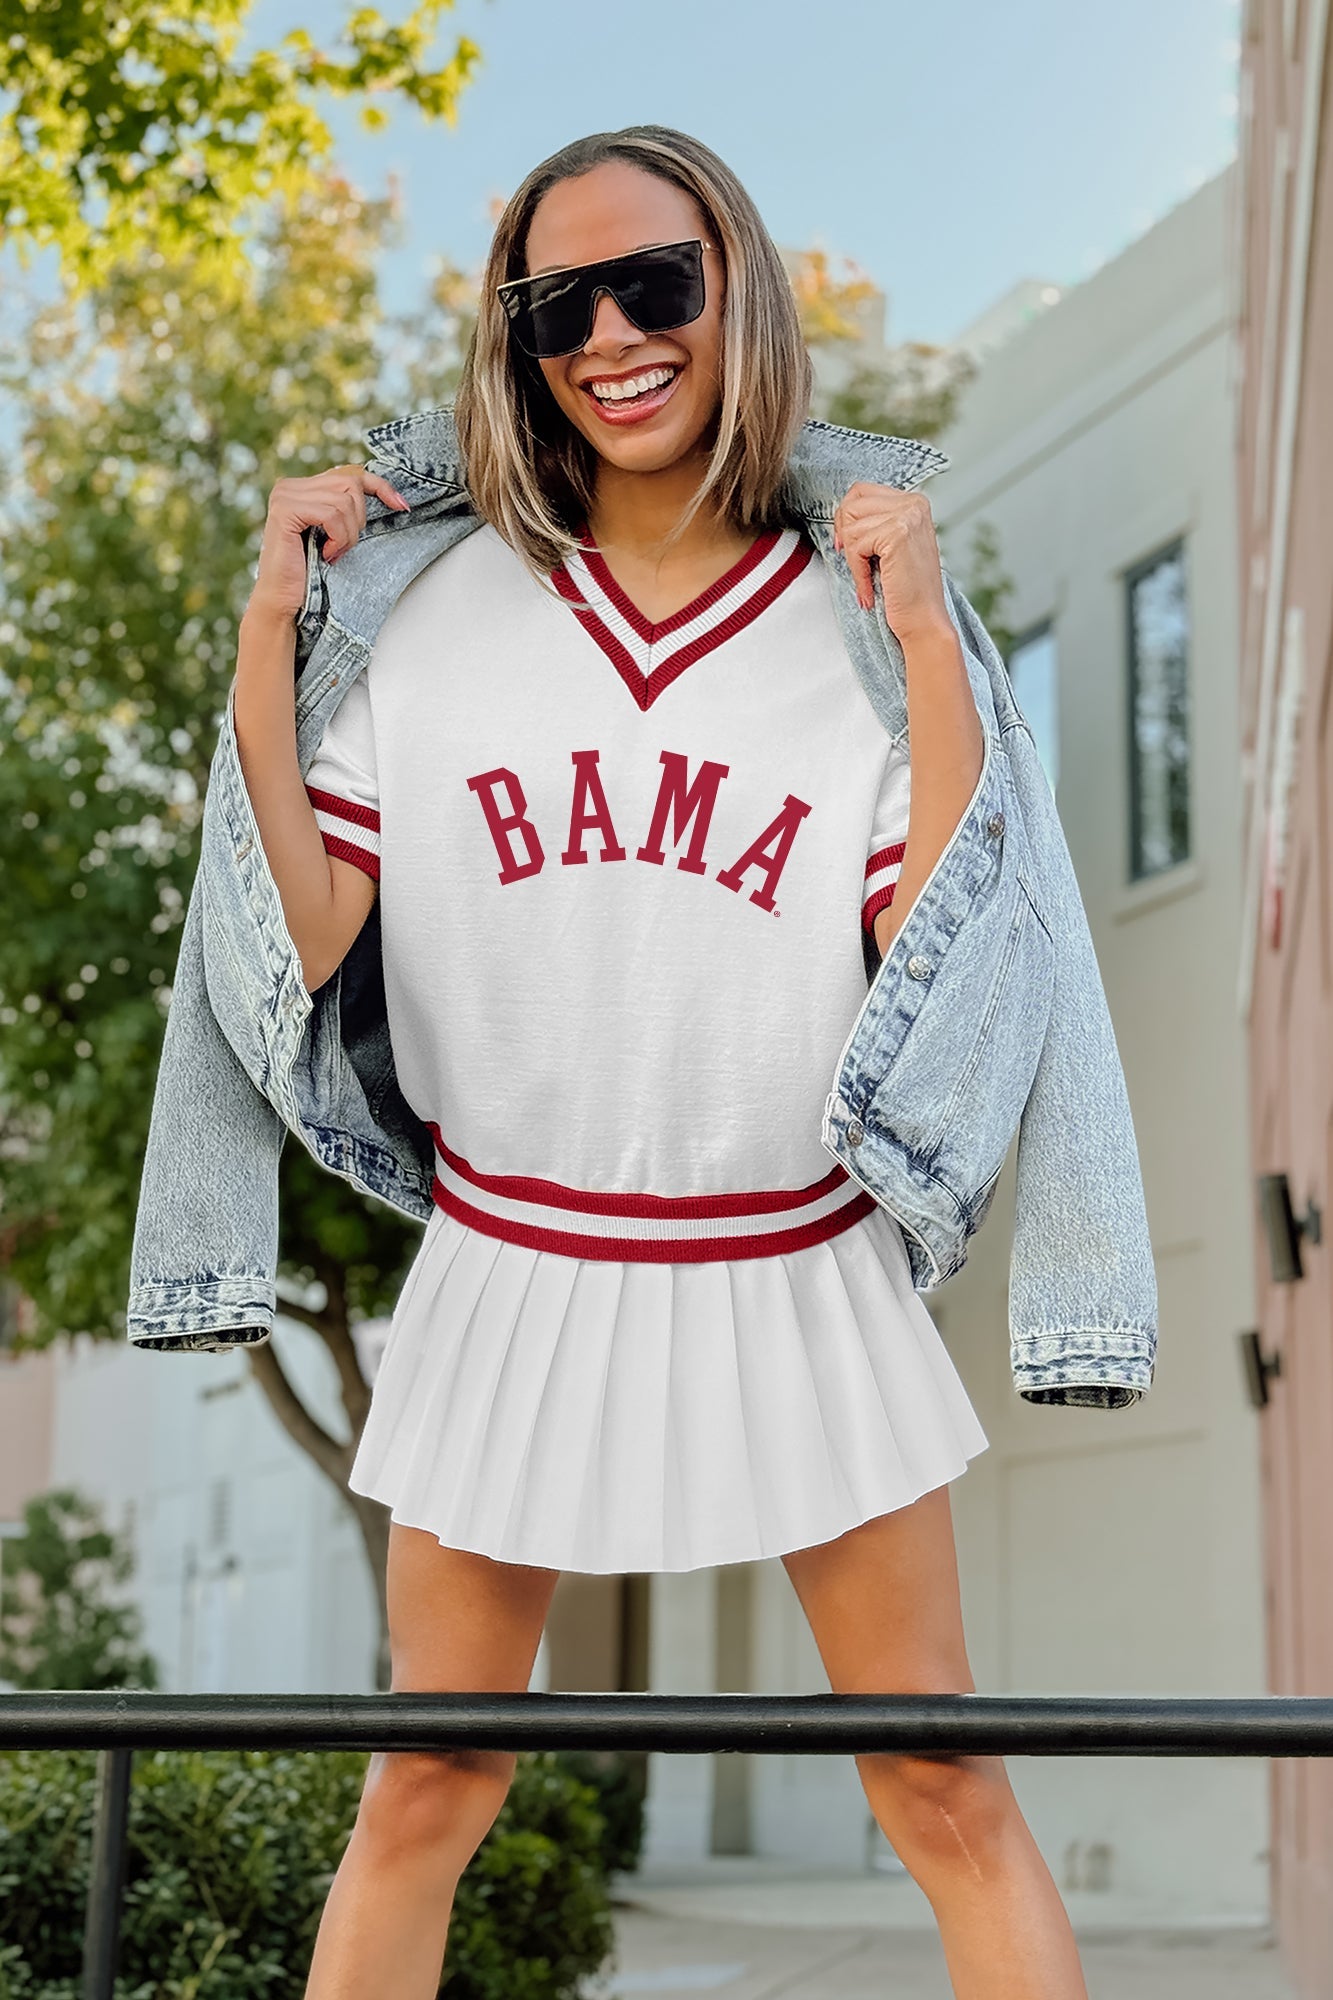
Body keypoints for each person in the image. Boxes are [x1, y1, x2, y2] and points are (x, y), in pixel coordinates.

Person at [232, 125, 1091, 2000]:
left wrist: (928, 641)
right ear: (514, 337)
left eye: (659, 282)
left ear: (737, 295)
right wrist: (267, 638)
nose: (610, 332)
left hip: (792, 1268)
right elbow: (316, 942)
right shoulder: (436, 615)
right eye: (557, 300)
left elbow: (933, 953)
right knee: (425, 1789)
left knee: (941, 1789)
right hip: (514, 1262)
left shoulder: (846, 616)